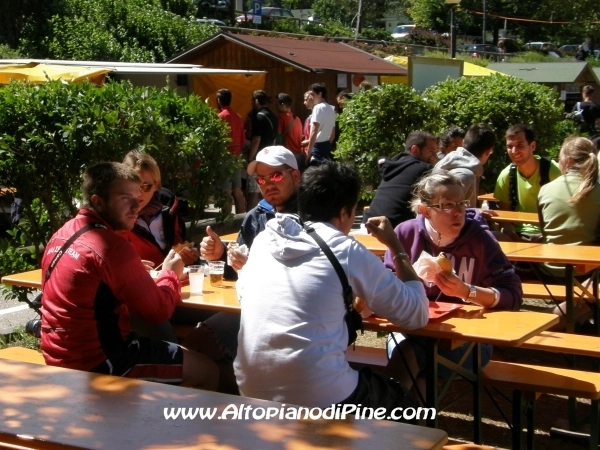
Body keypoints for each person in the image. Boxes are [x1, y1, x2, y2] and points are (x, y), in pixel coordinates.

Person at [234, 161, 429, 413]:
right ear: (345, 212)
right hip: (321, 397)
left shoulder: (264, 240)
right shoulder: (345, 249)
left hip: (250, 390)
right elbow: (416, 314)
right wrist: (396, 247)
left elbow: (244, 294)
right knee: (404, 402)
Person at [40, 162, 218, 389]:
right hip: (99, 363)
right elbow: (158, 312)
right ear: (98, 201)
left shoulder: (62, 233)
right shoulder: (111, 246)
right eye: (125, 198)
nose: (136, 206)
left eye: (138, 196)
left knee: (177, 349)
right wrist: (169, 273)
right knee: (207, 371)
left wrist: (136, 272)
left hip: (58, 355)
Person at [384, 171, 522, 398]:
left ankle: (384, 414)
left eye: (462, 203)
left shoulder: (480, 239)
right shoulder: (405, 234)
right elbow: (387, 282)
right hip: (412, 331)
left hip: (469, 342)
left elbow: (513, 295)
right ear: (425, 210)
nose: (458, 212)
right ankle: (410, 420)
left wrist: (467, 291)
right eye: (447, 205)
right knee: (417, 360)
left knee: (410, 354)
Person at [186, 146, 302, 364]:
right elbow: (236, 270)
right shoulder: (256, 216)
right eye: (261, 179)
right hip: (251, 307)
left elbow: (308, 276)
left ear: (295, 176)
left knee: (200, 345)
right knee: (197, 346)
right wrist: (221, 255)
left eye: (276, 176)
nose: (268, 185)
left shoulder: (313, 214)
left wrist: (253, 268)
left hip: (290, 313)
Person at [121, 151, 198, 267]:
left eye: (145, 186)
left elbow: (180, 246)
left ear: (156, 185)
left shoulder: (169, 207)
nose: (138, 193)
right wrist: (129, 269)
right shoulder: (115, 218)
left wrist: (189, 258)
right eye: (133, 186)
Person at [538, 136, 600, 278]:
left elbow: (544, 231)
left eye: (559, 158)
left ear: (568, 160)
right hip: (587, 272)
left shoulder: (545, 190)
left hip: (549, 270)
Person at [493, 124, 561, 241]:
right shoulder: (507, 175)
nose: (514, 151)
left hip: (549, 234)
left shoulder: (553, 171)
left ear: (532, 146)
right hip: (519, 234)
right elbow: (504, 217)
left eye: (520, 145)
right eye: (510, 146)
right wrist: (514, 237)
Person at [362, 131, 437, 228]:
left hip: (367, 224)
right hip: (394, 229)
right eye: (431, 151)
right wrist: (437, 165)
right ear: (415, 149)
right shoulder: (424, 168)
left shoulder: (392, 166)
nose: (435, 156)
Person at [434, 123, 495, 208]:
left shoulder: (444, 162)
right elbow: (449, 211)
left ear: (463, 143)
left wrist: (477, 212)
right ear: (488, 152)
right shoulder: (466, 176)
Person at [217, 88, 246, 214]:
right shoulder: (238, 117)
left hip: (225, 156)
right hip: (236, 157)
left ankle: (227, 221)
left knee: (226, 191)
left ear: (219, 100)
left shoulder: (220, 117)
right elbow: (243, 141)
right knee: (237, 190)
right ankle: (241, 218)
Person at [247, 90, 278, 209]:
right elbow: (274, 138)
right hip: (269, 157)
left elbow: (256, 139)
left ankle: (251, 214)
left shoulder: (259, 117)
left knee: (253, 190)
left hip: (258, 158)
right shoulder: (273, 116)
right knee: (268, 188)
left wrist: (250, 158)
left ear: (256, 101)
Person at [303, 83, 336, 166]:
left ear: (320, 94)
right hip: (327, 145)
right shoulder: (331, 108)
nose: (311, 97)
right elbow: (332, 134)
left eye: (312, 94)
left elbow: (314, 131)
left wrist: (309, 152)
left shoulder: (318, 108)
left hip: (317, 147)